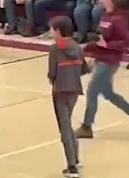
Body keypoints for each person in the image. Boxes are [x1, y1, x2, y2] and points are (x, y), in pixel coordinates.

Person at [76, 0, 129, 139]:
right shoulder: (106, 16)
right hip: (102, 58)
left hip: (109, 61)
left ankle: (87, 127)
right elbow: (102, 39)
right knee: (108, 93)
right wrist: (87, 48)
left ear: (112, 1)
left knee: (92, 91)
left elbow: (127, 41)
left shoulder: (119, 19)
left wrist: (107, 46)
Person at [46, 16, 90, 178]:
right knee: (68, 124)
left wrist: (54, 80)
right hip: (74, 91)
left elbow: (52, 73)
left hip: (60, 91)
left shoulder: (55, 49)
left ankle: (72, 167)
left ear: (58, 31)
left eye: (52, 29)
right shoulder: (78, 48)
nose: (51, 32)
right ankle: (76, 158)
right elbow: (85, 69)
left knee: (64, 129)